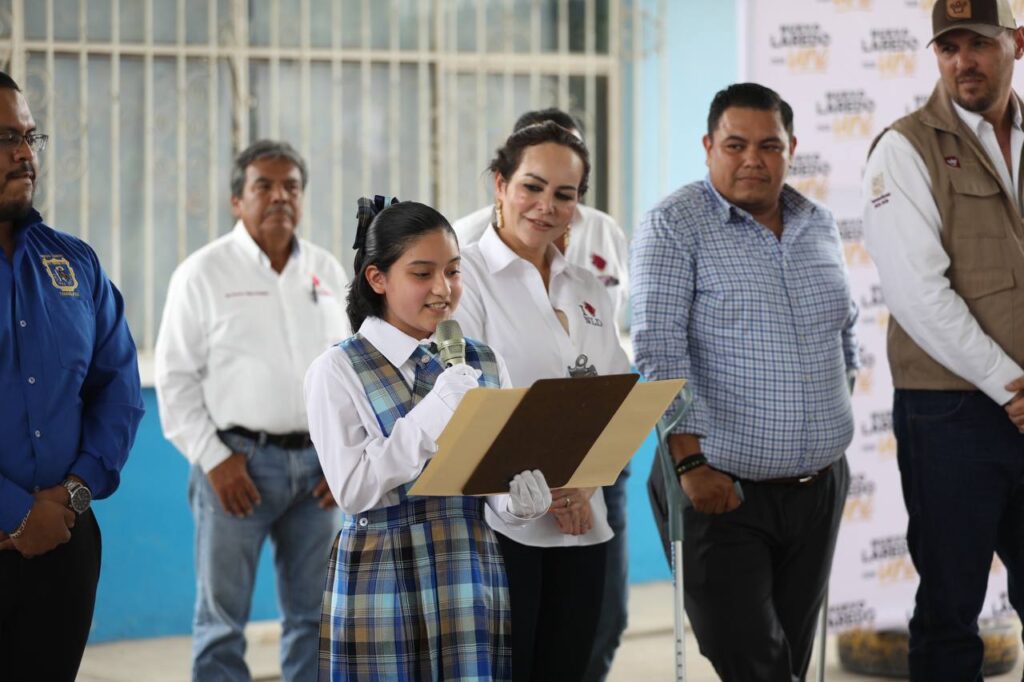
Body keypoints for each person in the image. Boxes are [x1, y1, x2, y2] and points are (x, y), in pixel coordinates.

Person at [631, 83, 858, 682]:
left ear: (791, 148)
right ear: (708, 147)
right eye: (735, 145)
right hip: (717, 486)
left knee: (791, 656)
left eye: (769, 145)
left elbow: (845, 332)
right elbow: (658, 354)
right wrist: (688, 464)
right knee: (754, 661)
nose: (752, 158)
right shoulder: (674, 226)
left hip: (817, 488)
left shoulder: (820, 224)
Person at [304, 197, 552, 681]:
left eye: (454, 272)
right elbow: (354, 489)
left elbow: (485, 475)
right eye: (423, 274)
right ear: (378, 279)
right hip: (381, 572)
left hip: (467, 564)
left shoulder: (482, 360)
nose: (444, 289)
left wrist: (516, 502)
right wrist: (436, 409)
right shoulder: (336, 369)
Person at [863, 2, 1024, 679]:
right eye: (948, 47)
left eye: (979, 44)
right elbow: (918, 296)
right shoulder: (904, 147)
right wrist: (1014, 388)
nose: (964, 61)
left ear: (1016, 42)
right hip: (952, 411)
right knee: (951, 608)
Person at [154, 140, 350, 681]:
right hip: (237, 466)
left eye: (291, 186)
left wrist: (345, 458)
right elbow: (173, 379)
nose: (279, 196)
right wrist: (214, 459)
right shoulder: (203, 274)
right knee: (221, 621)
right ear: (237, 201)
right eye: (263, 186)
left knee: (315, 618)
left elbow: (350, 374)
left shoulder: (328, 273)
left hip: (318, 471)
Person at [456, 108, 633, 682]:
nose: (546, 206)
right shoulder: (465, 279)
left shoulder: (586, 287)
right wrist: (547, 486)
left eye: (565, 194)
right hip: (498, 526)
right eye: (532, 187)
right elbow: (468, 403)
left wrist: (584, 484)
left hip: (582, 521)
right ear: (501, 185)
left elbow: (613, 400)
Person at [0, 71, 144, 681]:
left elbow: (119, 390)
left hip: (65, 541)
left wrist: (71, 496)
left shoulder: (74, 263)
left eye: (32, 137)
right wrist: (13, 513)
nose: (26, 155)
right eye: (6, 137)